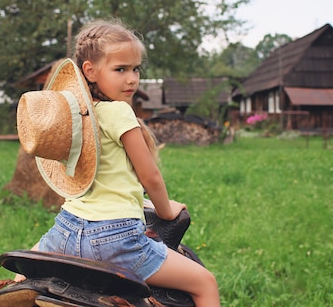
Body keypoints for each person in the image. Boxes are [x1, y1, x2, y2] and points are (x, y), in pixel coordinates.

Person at [17, 18, 220, 307]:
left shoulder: (75, 120)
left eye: (136, 69)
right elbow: (149, 176)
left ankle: (18, 287)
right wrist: (165, 210)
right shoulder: (120, 113)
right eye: (120, 69)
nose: (132, 79)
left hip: (64, 231)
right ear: (90, 71)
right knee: (204, 283)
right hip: (114, 240)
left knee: (27, 271)